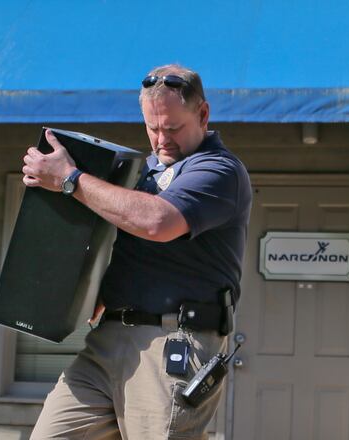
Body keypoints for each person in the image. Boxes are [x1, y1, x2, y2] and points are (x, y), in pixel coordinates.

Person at [21, 64, 252, 439]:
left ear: (203, 114)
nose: (162, 140)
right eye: (153, 128)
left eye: (173, 128)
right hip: (107, 338)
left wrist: (70, 179)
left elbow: (156, 222)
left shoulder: (219, 170)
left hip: (174, 343)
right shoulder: (142, 171)